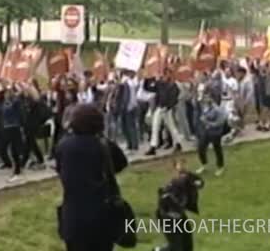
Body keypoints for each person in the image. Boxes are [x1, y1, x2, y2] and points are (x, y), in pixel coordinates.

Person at [55, 104, 128, 251]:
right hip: (101, 213)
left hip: (73, 215)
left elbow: (60, 170)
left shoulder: (63, 145)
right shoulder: (102, 145)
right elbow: (121, 163)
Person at [144, 69, 183, 156]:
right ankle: (177, 143)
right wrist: (148, 78)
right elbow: (148, 88)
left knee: (158, 126)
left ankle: (153, 146)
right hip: (161, 107)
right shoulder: (160, 84)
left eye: (167, 74)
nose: (165, 76)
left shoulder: (173, 85)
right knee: (166, 126)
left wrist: (168, 106)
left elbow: (174, 98)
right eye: (164, 74)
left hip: (165, 108)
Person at [195, 92, 226, 176]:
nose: (205, 99)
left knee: (217, 149)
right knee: (201, 147)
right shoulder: (205, 107)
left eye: (207, 97)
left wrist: (207, 122)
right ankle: (204, 164)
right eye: (205, 97)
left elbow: (220, 122)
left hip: (215, 132)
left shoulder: (217, 110)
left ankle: (220, 167)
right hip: (206, 131)